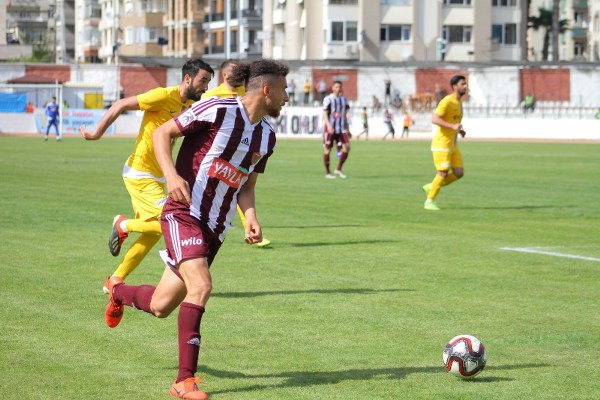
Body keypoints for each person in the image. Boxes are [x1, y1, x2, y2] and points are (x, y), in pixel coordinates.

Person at [103, 59, 289, 400]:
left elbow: (246, 186)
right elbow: (163, 133)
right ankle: (183, 381)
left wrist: (251, 216)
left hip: (216, 228)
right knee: (201, 286)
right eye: (284, 90)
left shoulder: (267, 136)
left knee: (161, 305)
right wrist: (171, 176)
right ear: (267, 90)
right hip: (183, 213)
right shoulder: (217, 109)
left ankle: (116, 292)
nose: (287, 97)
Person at [80, 59, 215, 290]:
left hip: (158, 178)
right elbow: (121, 104)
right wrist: (96, 133)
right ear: (187, 79)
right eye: (203, 81)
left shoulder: (188, 107)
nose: (205, 87)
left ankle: (115, 279)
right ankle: (123, 225)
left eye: (208, 83)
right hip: (140, 174)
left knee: (152, 233)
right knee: (167, 222)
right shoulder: (163, 95)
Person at [201, 59, 271, 248]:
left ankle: (249, 224)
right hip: (216, 155)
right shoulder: (210, 97)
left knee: (242, 182)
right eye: (235, 71)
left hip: (242, 151)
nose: (241, 73)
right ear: (225, 75)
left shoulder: (245, 95)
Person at [422, 75, 468, 211]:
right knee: (442, 173)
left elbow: (454, 123)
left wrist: (460, 131)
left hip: (453, 144)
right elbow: (435, 119)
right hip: (442, 144)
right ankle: (429, 201)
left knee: (459, 173)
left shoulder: (459, 103)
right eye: (462, 84)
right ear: (454, 86)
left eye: (465, 84)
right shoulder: (447, 101)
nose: (465, 86)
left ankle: (432, 186)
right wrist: (452, 126)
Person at [322, 80, 351, 179]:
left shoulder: (344, 99)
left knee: (347, 147)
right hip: (331, 128)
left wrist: (348, 128)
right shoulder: (328, 99)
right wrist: (328, 126)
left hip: (341, 128)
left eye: (340, 87)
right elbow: (325, 114)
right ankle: (328, 173)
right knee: (327, 149)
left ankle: (338, 169)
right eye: (337, 87)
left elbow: (346, 113)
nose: (339, 88)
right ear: (333, 88)